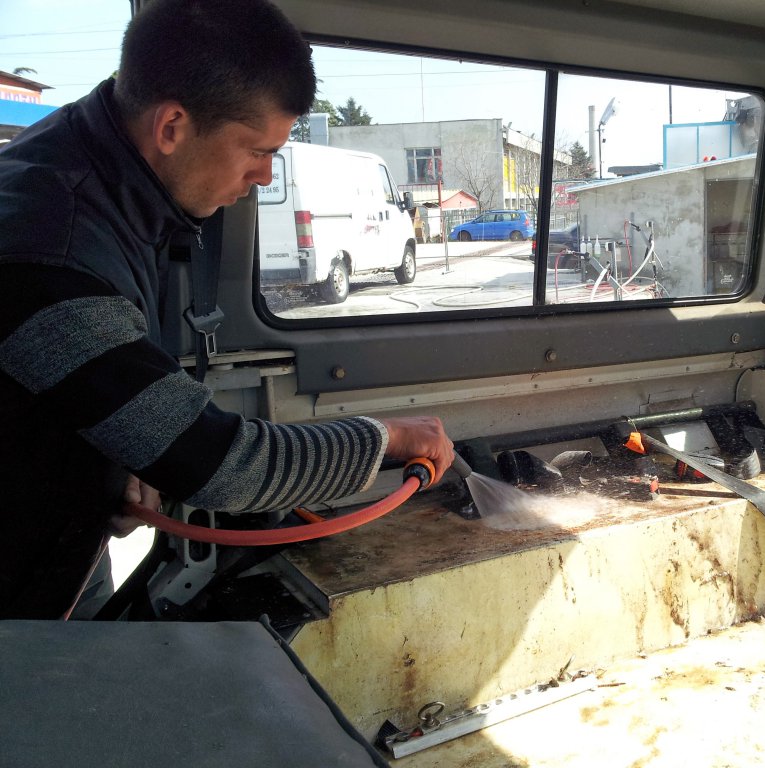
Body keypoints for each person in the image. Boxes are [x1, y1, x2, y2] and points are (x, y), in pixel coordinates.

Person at [0, 0, 456, 620]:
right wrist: (390, 439)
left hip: (61, 530)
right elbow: (220, 465)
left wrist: (112, 452)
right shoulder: (50, 247)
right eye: (257, 151)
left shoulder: (101, 176)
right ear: (172, 126)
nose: (266, 177)